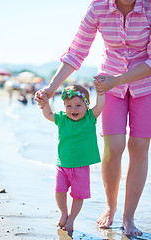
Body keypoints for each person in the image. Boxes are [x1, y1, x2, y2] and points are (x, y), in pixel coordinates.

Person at [35, 0, 151, 237]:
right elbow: (76, 52)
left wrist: (117, 80)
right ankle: (111, 205)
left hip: (145, 85)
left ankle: (129, 218)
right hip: (108, 88)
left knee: (139, 147)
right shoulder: (98, 8)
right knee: (114, 146)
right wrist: (51, 87)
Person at [35, 84, 105, 232]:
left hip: (81, 166)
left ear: (86, 105)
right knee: (59, 191)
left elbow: (100, 105)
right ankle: (63, 213)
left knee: (78, 195)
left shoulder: (89, 117)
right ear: (64, 106)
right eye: (69, 106)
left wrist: (100, 92)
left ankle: (72, 219)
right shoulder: (62, 118)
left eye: (78, 105)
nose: (73, 109)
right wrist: (45, 104)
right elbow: (48, 115)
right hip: (62, 164)